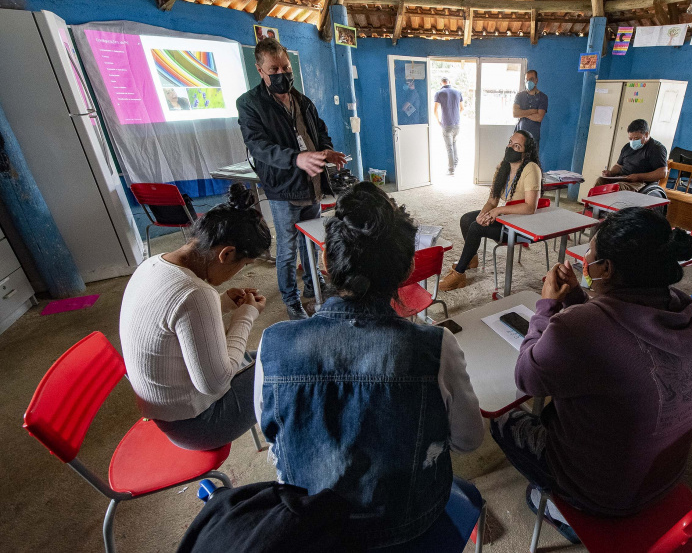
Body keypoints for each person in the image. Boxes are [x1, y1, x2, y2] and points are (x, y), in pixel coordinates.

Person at [255, 182, 484, 548]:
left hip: (312, 530)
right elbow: (469, 441)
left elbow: (277, 441)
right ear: (407, 268)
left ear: (326, 262)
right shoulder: (434, 346)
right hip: (411, 525)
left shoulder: (273, 345)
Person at [490, 207, 692, 539]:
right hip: (663, 477)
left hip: (604, 496)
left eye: (589, 252)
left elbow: (527, 377)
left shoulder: (579, 327)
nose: (584, 259)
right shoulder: (679, 307)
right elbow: (617, 329)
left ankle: (563, 508)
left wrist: (547, 306)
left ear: (606, 268)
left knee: (503, 420)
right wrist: (578, 298)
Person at [119, 184, 271, 451]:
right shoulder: (196, 293)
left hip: (166, 412)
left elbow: (171, 321)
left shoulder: (152, 264)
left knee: (272, 353)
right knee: (288, 368)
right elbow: (215, 383)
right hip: (196, 425)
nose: (240, 272)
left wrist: (223, 303)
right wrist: (245, 316)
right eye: (244, 265)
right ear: (226, 254)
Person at [237, 38, 347, 320]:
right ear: (260, 70)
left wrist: (327, 150)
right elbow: (258, 146)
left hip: (312, 185)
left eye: (285, 67)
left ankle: (314, 286)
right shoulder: (250, 104)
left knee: (309, 241)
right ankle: (291, 301)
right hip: (283, 188)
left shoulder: (302, 100)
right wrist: (295, 158)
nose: (281, 74)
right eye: (274, 69)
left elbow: (319, 131)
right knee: (287, 249)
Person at [439, 130, 542, 291]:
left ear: (525, 152)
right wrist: (483, 214)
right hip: (506, 218)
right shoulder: (502, 167)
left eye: (516, 146)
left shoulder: (531, 168)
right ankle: (471, 259)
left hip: (521, 225)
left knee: (476, 227)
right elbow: (492, 201)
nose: (510, 148)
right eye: (510, 143)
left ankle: (459, 274)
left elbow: (530, 207)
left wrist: (498, 211)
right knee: (467, 219)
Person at [598, 119, 669, 192]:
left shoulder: (656, 148)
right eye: (630, 138)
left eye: (636, 138)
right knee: (601, 181)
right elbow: (618, 166)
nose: (633, 141)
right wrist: (610, 173)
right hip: (623, 178)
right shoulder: (627, 147)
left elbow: (662, 173)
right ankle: (592, 203)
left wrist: (638, 177)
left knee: (617, 187)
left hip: (641, 182)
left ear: (646, 134)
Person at [433, 77, 463, 175]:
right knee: (454, 143)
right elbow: (462, 108)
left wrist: (438, 121)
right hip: (457, 124)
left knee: (449, 147)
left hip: (446, 124)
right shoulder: (458, 92)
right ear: (449, 82)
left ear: (441, 83)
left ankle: (451, 170)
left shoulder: (439, 93)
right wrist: (455, 116)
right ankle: (455, 162)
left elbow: (435, 110)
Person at [513, 70, 548, 144]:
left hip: (533, 138)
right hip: (519, 137)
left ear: (536, 80)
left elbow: (539, 118)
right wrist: (533, 111)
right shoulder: (519, 96)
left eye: (531, 79)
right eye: (527, 80)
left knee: (532, 155)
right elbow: (515, 114)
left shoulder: (543, 97)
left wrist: (522, 113)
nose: (528, 82)